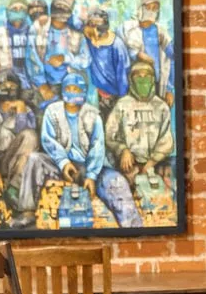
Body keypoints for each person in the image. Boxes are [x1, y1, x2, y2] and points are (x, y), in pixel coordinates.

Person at [23, 71, 142, 228]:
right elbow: (47, 139)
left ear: (83, 92)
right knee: (34, 159)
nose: (72, 92)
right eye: (69, 88)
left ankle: (132, 227)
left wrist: (92, 176)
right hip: (61, 165)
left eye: (76, 89)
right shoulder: (52, 111)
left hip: (90, 167)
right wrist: (63, 162)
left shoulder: (93, 115)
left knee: (117, 182)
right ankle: (27, 213)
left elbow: (97, 147)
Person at [0, 71, 39, 226]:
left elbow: (28, 144)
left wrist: (21, 113)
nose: (8, 88)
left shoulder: (27, 111)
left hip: (14, 162)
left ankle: (13, 192)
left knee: (30, 136)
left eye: (12, 85)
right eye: (4, 85)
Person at [105, 58, 174, 188]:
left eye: (147, 77)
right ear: (131, 80)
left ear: (153, 80)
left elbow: (166, 140)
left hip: (155, 162)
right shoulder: (122, 104)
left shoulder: (161, 106)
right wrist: (123, 150)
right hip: (128, 163)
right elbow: (109, 135)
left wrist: (151, 163)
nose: (143, 81)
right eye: (138, 77)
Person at [25, 0, 92, 102]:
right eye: (58, 6)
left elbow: (86, 60)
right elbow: (32, 58)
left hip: (72, 84)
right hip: (45, 86)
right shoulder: (38, 28)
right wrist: (42, 85)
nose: (61, 10)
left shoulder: (77, 32)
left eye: (65, 7)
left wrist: (65, 58)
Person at [119, 0, 174, 107]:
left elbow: (173, 57)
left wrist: (169, 89)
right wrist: (137, 55)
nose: (151, 11)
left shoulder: (161, 32)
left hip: (157, 83)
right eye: (148, 7)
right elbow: (121, 51)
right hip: (135, 82)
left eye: (155, 8)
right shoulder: (128, 29)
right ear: (140, 8)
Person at [84, 4, 132, 119]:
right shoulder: (89, 38)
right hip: (95, 93)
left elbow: (122, 76)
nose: (95, 29)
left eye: (98, 26)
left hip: (113, 95)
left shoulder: (117, 46)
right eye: (92, 25)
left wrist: (122, 99)